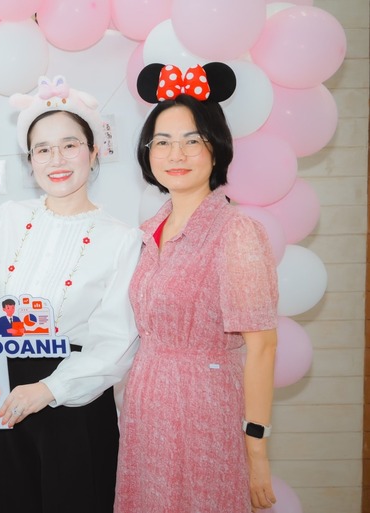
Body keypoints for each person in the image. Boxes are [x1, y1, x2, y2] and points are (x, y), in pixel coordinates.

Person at [0, 76, 141, 513]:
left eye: (69, 145)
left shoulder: (122, 238)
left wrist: (48, 389)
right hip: (4, 394)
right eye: (42, 150)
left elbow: (116, 342)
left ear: (93, 151)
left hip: (75, 402)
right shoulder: (10, 217)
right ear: (30, 161)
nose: (56, 160)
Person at [114, 63, 279, 512]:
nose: (177, 154)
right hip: (146, 408)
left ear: (216, 147)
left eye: (192, 140)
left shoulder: (235, 231)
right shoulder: (147, 231)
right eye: (163, 142)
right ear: (148, 152)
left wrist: (256, 448)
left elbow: (262, 346)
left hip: (206, 410)